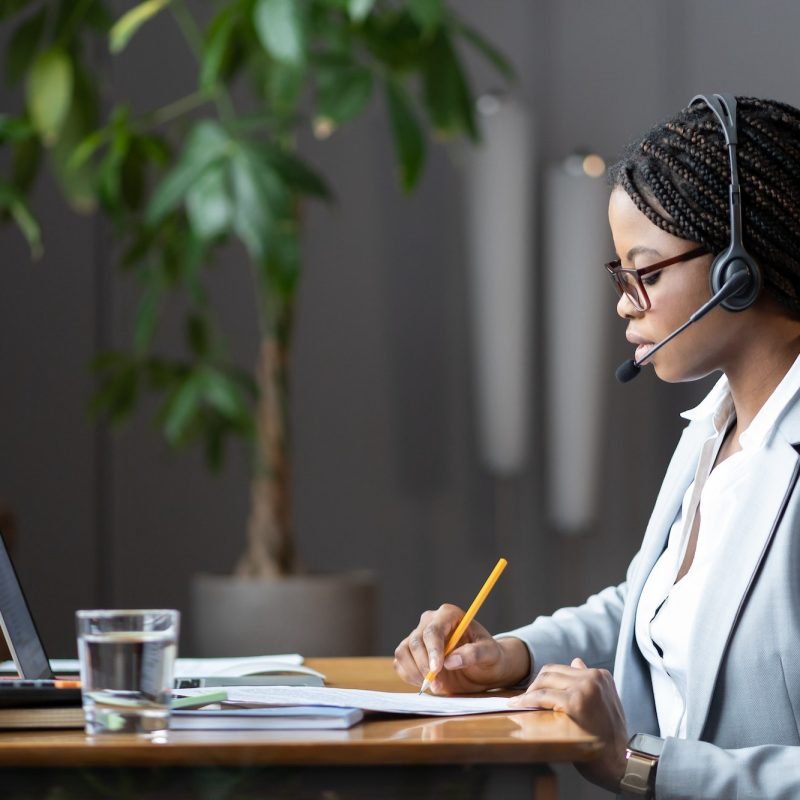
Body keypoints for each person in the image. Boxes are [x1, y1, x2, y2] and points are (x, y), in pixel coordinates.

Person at [393, 94, 800, 799]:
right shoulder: (718, 427)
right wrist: (511, 657)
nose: (623, 302)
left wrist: (639, 765)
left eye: (643, 273)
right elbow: (657, 606)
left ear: (740, 269)